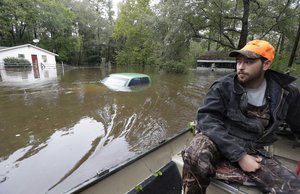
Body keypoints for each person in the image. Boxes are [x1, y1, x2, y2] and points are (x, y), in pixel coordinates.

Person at [182, 39, 300, 194]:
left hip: (254, 147)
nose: (241, 67)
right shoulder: (223, 87)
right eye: (238, 62)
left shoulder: (287, 93)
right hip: (219, 140)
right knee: (194, 153)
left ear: (266, 64)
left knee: (293, 188)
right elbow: (206, 119)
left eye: (249, 62)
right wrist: (239, 156)